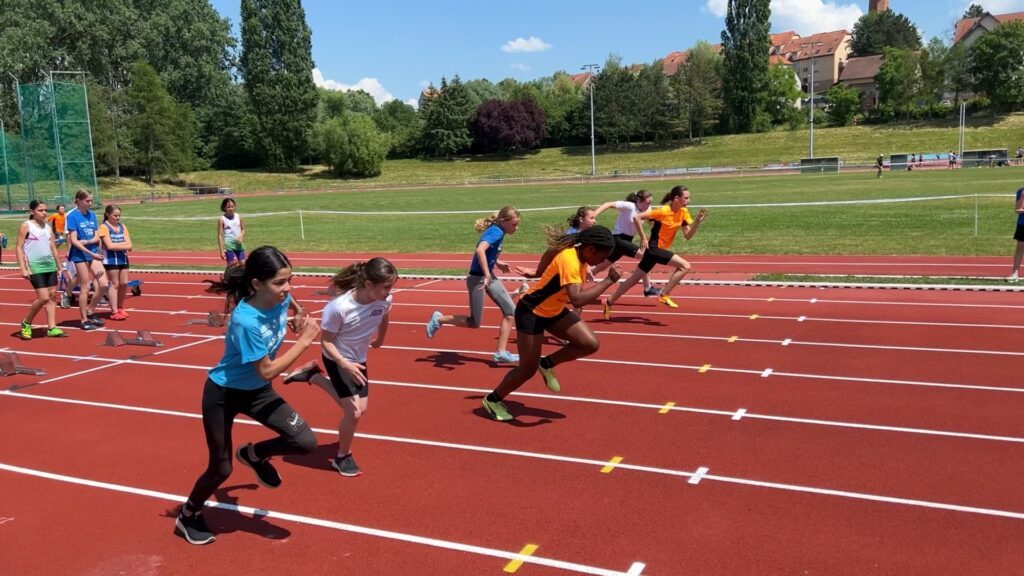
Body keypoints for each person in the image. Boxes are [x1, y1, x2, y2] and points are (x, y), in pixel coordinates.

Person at [175, 246, 319, 546]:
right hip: (224, 394)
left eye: (289, 279)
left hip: (258, 393)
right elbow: (267, 370)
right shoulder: (246, 320)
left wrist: (297, 319)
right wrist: (304, 341)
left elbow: (294, 306)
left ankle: (253, 454)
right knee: (221, 468)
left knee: (304, 442)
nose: (287, 288)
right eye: (279, 282)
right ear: (256, 284)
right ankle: (188, 516)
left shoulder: (281, 298)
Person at [481, 226, 621, 422]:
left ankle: (546, 363)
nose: (603, 261)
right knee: (527, 369)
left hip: (553, 310)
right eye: (602, 256)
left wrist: (538, 272)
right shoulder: (570, 261)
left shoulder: (576, 251)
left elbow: (551, 251)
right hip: (532, 312)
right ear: (590, 249)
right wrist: (608, 280)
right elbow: (577, 300)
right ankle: (492, 400)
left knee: (590, 343)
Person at [283, 258, 397, 477]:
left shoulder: (384, 300)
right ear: (368, 284)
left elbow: (385, 317)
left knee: (360, 409)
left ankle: (313, 376)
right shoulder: (339, 308)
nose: (389, 292)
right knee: (353, 413)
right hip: (337, 359)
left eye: (391, 287)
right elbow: (325, 341)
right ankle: (342, 457)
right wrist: (345, 364)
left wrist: (381, 339)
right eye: (386, 287)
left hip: (358, 359)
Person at [426, 207, 525, 363]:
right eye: (514, 224)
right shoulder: (497, 232)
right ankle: (439, 319)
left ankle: (501, 352)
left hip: (488, 277)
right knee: (474, 323)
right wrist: (486, 274)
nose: (516, 228)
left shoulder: (499, 230)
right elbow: (480, 250)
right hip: (477, 279)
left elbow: (489, 252)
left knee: (510, 312)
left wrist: (497, 263)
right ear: (504, 221)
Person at [603, 186, 708, 316]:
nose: (689, 200)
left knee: (633, 279)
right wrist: (643, 238)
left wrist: (697, 222)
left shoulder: (683, 212)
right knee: (685, 266)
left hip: (655, 252)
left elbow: (688, 236)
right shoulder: (663, 211)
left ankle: (609, 301)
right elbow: (637, 217)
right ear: (676, 198)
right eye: (686, 198)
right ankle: (664, 294)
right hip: (654, 249)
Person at [591, 190, 660, 297]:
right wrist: (594, 215)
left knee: (599, 267)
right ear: (638, 201)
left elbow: (652, 223)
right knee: (646, 257)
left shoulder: (648, 210)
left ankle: (574, 282)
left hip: (626, 241)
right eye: (647, 203)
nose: (649, 205)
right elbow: (608, 204)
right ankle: (648, 288)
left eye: (650, 203)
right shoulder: (629, 206)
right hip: (618, 239)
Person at [15, 200, 65, 339]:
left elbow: (53, 248)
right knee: (43, 297)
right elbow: (19, 247)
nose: (44, 213)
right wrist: (23, 268)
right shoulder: (27, 225)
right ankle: (26, 322)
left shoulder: (48, 228)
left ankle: (52, 327)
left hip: (50, 264)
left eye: (45, 210)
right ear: (32, 211)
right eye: (40, 210)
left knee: (53, 295)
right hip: (35, 265)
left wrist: (59, 265)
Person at [65, 189, 108, 330]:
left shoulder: (92, 215)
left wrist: (89, 244)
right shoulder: (72, 216)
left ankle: (90, 311)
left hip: (93, 252)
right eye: (87, 200)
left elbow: (96, 237)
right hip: (79, 255)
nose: (90, 203)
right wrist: (88, 249)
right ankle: (83, 319)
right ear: (79, 200)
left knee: (103, 284)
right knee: (85, 286)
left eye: (91, 200)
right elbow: (74, 240)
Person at [97, 204, 133, 320]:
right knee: (114, 284)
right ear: (107, 215)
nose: (117, 218)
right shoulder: (103, 227)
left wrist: (121, 246)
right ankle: (114, 311)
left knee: (124, 283)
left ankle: (120, 307)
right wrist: (123, 245)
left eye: (119, 215)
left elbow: (130, 244)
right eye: (115, 215)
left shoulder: (122, 226)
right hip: (110, 259)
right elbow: (109, 246)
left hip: (123, 258)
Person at [217, 198, 245, 268]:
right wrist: (222, 250)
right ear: (224, 208)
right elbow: (220, 235)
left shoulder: (239, 217)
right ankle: (227, 278)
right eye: (228, 207)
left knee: (243, 263)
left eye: (232, 206)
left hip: (239, 244)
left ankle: (239, 277)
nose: (231, 208)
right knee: (230, 265)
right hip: (228, 245)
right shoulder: (222, 219)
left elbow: (243, 229)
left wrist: (241, 236)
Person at [1009, 186, 1024, 283]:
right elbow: (1018, 210)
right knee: (1020, 247)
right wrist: (1022, 196)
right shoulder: (1020, 191)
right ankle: (1015, 273)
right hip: (1022, 223)